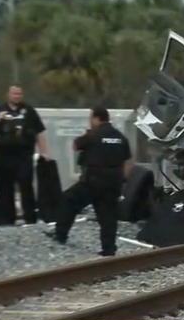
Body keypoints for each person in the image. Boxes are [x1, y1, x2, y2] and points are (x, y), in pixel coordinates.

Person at [47, 107, 132, 256]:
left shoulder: (92, 135)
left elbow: (75, 146)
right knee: (108, 216)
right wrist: (122, 181)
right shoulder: (120, 137)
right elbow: (126, 162)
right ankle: (109, 248)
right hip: (113, 183)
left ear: (95, 118)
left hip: (92, 181)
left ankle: (60, 234)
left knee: (68, 200)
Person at [0, 85, 48, 225]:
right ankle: (7, 218)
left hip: (24, 155)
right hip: (3, 155)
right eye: (14, 94)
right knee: (5, 188)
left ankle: (30, 217)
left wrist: (43, 152)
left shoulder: (29, 111)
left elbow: (39, 132)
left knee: (26, 186)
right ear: (8, 94)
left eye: (19, 94)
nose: (17, 96)